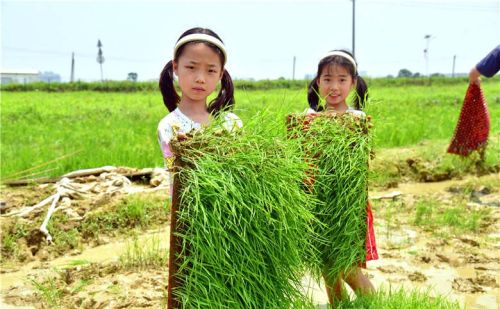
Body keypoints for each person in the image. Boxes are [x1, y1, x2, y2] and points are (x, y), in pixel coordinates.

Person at [306, 49, 378, 305]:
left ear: (353, 84)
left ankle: (373, 303)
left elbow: (361, 165)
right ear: (317, 82)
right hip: (317, 203)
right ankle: (338, 305)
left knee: (346, 263)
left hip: (347, 205)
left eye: (341, 80)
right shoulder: (309, 118)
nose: (333, 87)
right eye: (327, 79)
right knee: (326, 264)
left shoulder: (357, 119)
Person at [157, 27, 243, 172]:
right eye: (191, 67)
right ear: (176, 67)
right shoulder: (169, 126)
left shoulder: (232, 123)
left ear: (220, 74)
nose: (200, 79)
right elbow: (179, 177)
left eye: (211, 70)